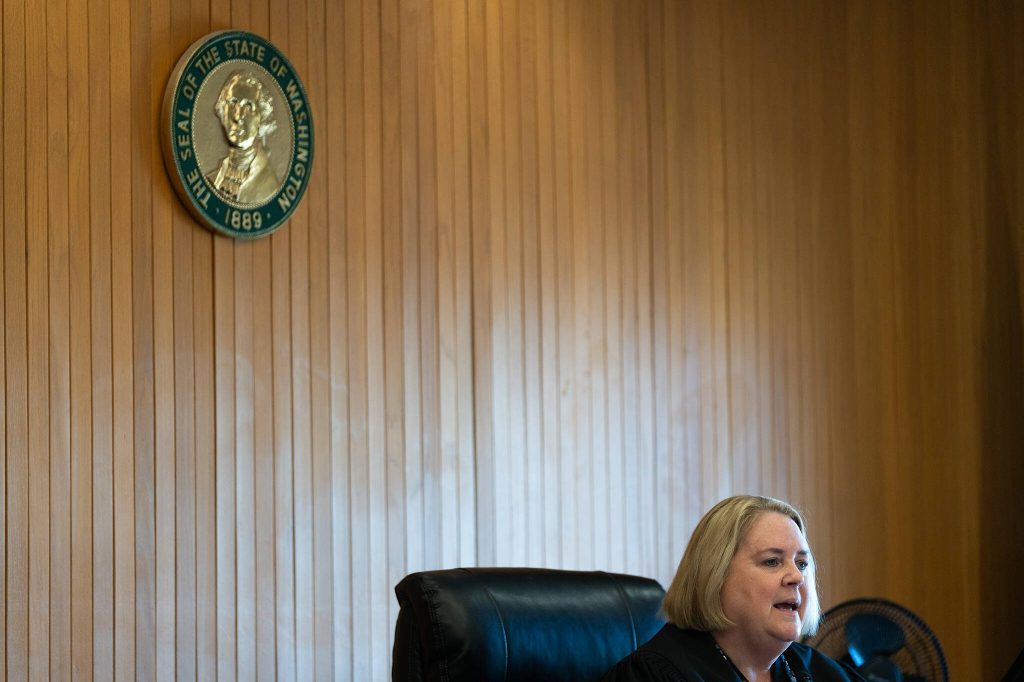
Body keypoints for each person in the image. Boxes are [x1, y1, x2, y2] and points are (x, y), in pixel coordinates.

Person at [601, 495, 864, 681]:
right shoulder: (652, 674)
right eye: (772, 561)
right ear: (715, 575)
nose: (796, 576)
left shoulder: (824, 672)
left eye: (802, 564)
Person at [206, 70, 281, 204]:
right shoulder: (211, 180)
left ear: (262, 117)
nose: (237, 116)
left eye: (247, 106)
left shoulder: (271, 188)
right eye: (232, 103)